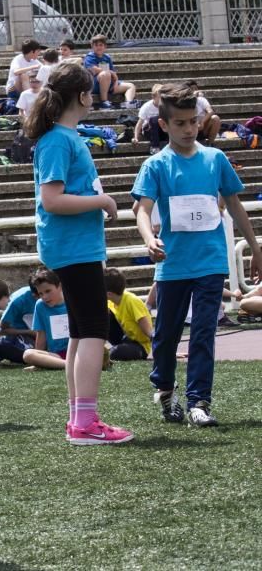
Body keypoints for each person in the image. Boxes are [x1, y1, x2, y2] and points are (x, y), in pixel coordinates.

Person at [132, 82, 262, 427]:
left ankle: (198, 402)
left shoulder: (215, 158)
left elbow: (234, 203)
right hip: (172, 264)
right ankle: (163, 388)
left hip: (210, 260)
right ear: (164, 125)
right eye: (181, 123)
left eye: (193, 122)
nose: (189, 129)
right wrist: (149, 238)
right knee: (166, 335)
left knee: (204, 332)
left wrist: (255, 246)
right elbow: (141, 209)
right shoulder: (156, 165)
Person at [23, 61, 134, 445]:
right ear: (84, 96)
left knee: (80, 331)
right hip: (73, 249)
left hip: (75, 247)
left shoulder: (63, 138)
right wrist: (100, 200)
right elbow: (51, 200)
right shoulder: (58, 140)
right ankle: (86, 423)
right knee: (92, 331)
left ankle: (79, 419)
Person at [21, 269, 69, 370]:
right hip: (56, 356)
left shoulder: (73, 301)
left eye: (48, 291)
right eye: (41, 293)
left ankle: (75, 363)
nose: (45, 297)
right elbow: (41, 335)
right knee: (28, 354)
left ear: (59, 286)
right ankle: (70, 365)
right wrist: (38, 363)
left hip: (78, 351)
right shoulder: (40, 305)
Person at [104, 267, 152, 361]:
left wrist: (166, 351)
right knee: (104, 315)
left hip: (140, 346)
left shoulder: (131, 301)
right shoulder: (111, 301)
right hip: (125, 339)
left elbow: (148, 331)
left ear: (109, 294)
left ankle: (115, 350)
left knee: (115, 353)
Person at [83, 34, 137, 110]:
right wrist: (110, 72)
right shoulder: (89, 57)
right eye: (96, 45)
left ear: (105, 46)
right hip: (95, 85)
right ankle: (104, 101)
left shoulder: (107, 57)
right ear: (92, 46)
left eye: (101, 45)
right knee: (105, 74)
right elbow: (93, 69)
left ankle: (129, 102)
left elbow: (113, 73)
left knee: (130, 86)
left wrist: (115, 83)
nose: (98, 47)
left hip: (109, 84)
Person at [0, 282, 38, 361]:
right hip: (20, 335)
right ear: (35, 295)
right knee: (30, 352)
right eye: (41, 293)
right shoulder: (18, 300)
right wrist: (29, 332)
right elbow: (0, 330)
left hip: (39, 334)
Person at [184, 80, 221, 145]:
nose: (195, 91)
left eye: (196, 89)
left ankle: (210, 144)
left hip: (201, 127)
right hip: (189, 127)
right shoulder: (183, 101)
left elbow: (210, 111)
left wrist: (202, 122)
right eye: (192, 89)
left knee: (215, 118)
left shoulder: (201, 100)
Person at [133, 84, 165, 154]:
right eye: (160, 98)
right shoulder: (147, 107)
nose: (162, 100)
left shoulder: (166, 105)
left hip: (161, 130)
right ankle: (154, 147)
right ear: (153, 97)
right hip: (149, 130)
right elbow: (139, 124)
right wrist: (136, 137)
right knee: (154, 119)